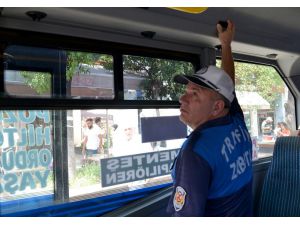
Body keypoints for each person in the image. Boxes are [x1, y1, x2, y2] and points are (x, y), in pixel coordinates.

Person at [166, 20, 252, 216]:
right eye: (186, 91)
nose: (182, 98)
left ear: (216, 107)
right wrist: (226, 45)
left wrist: (226, 45)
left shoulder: (195, 152)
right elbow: (228, 86)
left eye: (194, 93)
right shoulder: (234, 119)